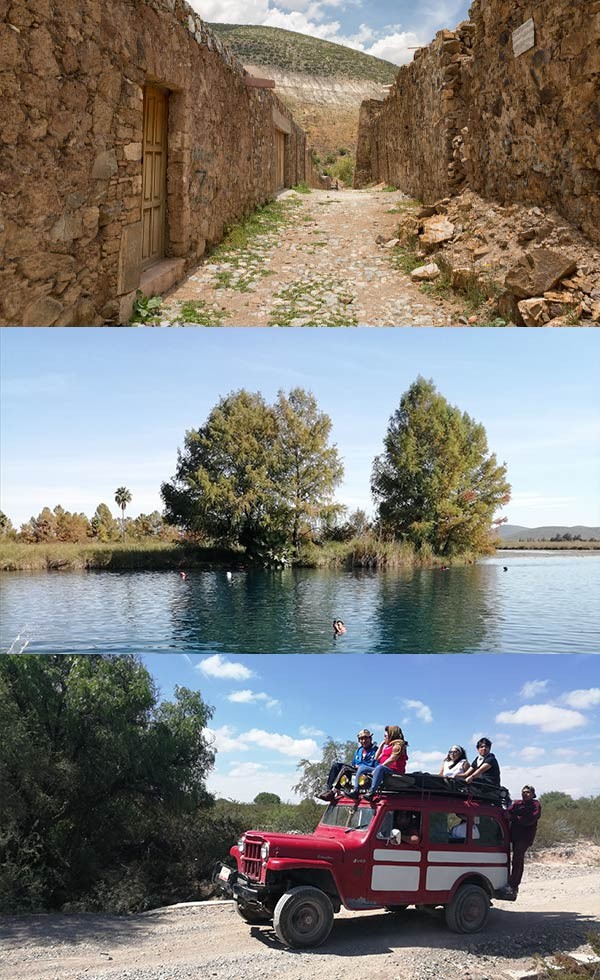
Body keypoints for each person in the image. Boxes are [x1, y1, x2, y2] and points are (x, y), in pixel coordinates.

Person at [317, 729, 378, 802]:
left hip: (367, 774)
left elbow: (376, 767)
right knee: (336, 766)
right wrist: (356, 766)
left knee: (345, 769)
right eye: (361, 739)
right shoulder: (359, 750)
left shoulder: (376, 751)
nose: (364, 741)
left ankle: (334, 791)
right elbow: (353, 763)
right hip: (355, 772)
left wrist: (363, 767)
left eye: (366, 738)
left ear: (370, 738)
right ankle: (328, 789)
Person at [504, 785, 542, 896]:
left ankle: (513, 885)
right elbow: (507, 811)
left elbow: (530, 820)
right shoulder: (517, 804)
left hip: (525, 837)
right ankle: (507, 881)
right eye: (524, 792)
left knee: (517, 860)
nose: (525, 794)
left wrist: (512, 817)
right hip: (513, 835)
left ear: (533, 794)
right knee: (509, 858)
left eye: (528, 792)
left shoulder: (535, 805)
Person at [353, 725, 408, 799]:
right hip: (384, 769)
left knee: (379, 768)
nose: (384, 738)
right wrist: (382, 745)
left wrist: (378, 768)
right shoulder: (388, 746)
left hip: (395, 771)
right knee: (362, 768)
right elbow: (376, 758)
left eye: (385, 736)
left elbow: (392, 759)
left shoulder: (398, 746)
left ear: (392, 735)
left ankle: (371, 792)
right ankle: (356, 790)